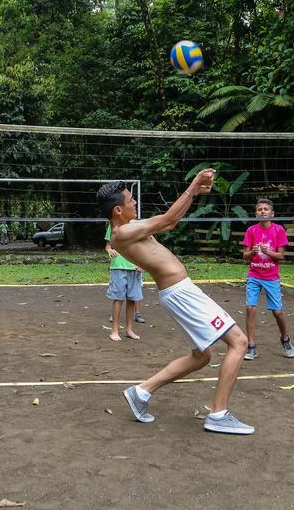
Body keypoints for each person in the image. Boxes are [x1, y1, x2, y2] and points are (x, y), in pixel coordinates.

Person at [99, 171, 254, 435]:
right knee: (238, 341)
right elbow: (169, 218)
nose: (135, 202)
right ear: (118, 209)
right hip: (181, 293)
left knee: (202, 356)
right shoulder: (122, 233)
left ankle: (141, 392)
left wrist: (193, 194)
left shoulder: (132, 227)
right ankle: (218, 414)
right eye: (130, 200)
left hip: (179, 292)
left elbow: (170, 222)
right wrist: (193, 185)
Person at [241, 198, 294, 359]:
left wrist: (268, 252)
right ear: (256, 213)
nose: (262, 211)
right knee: (250, 308)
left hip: (271, 277)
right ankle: (251, 346)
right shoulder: (251, 230)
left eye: (265, 209)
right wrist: (253, 251)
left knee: (277, 312)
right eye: (259, 209)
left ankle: (285, 339)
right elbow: (245, 256)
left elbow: (281, 256)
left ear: (272, 213)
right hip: (254, 275)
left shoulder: (278, 230)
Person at [105, 222, 145, 341]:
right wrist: (109, 250)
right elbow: (108, 245)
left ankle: (129, 330)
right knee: (118, 298)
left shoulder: (137, 225)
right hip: (118, 267)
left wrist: (142, 263)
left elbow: (142, 248)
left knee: (132, 299)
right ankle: (114, 330)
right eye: (130, 202)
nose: (133, 204)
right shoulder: (113, 225)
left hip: (135, 268)